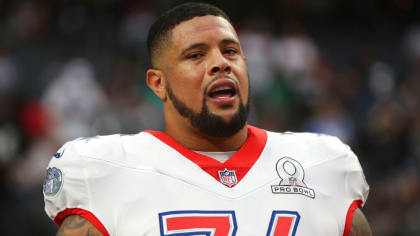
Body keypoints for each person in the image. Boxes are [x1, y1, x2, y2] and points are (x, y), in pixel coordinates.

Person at [43, 2, 371, 236]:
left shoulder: (323, 164)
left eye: (230, 51)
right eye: (196, 55)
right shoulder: (104, 171)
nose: (220, 63)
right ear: (158, 83)